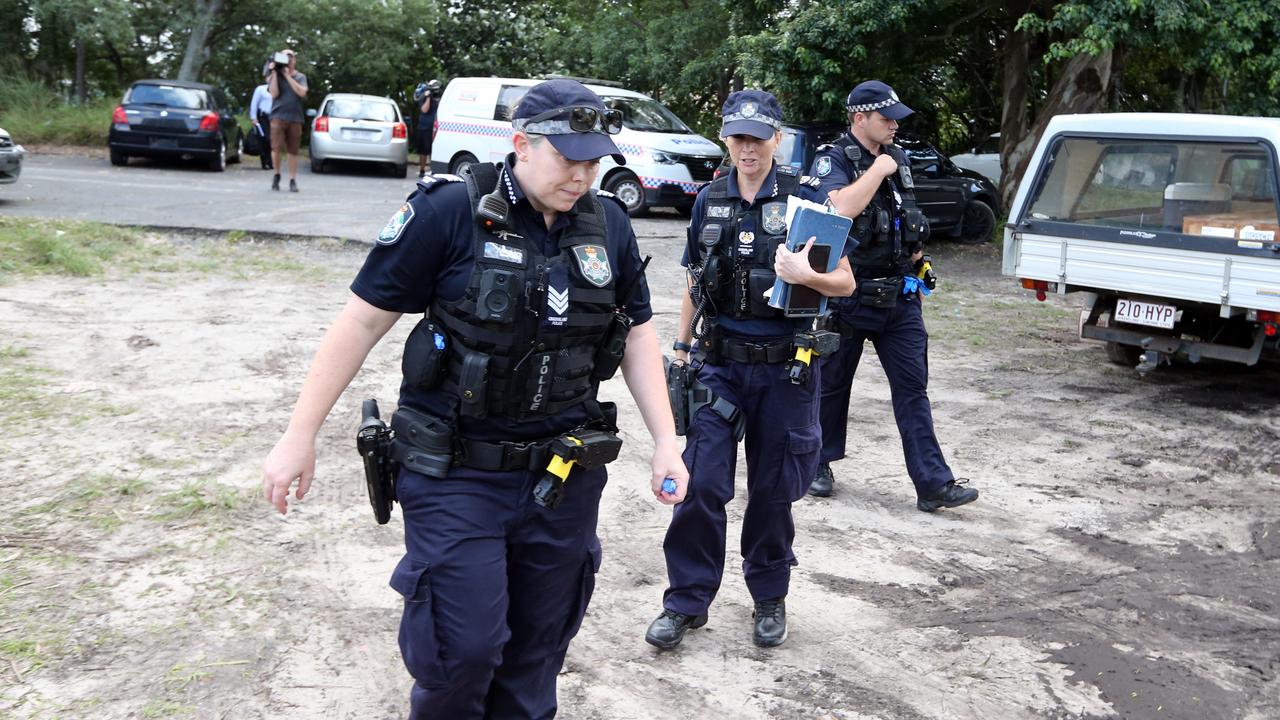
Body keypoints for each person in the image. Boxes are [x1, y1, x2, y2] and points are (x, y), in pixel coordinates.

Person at [261, 78, 688, 720]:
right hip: (456, 470)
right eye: (568, 157)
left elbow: (636, 334)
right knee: (463, 650)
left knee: (538, 651)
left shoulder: (611, 227)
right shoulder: (448, 211)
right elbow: (360, 322)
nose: (583, 173)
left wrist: (666, 442)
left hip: (562, 475)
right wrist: (299, 435)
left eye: (594, 159)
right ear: (521, 143)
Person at [644, 89, 854, 651]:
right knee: (700, 483)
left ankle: (769, 596)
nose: (748, 149)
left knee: (771, 491)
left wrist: (803, 273)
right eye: (738, 138)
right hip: (719, 365)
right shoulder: (709, 198)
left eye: (758, 139)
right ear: (726, 140)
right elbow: (694, 280)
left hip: (786, 368)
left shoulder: (807, 202)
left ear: (777, 140)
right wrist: (683, 350)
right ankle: (686, 602)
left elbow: (845, 283)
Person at [805, 80, 979, 513]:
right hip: (849, 295)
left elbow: (904, 217)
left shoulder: (897, 158)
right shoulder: (833, 160)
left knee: (912, 389)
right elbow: (839, 209)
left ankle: (933, 484)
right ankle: (817, 465)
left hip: (899, 296)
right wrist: (876, 170)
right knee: (830, 386)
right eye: (887, 118)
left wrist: (915, 254)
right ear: (859, 118)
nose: (895, 126)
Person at [267, 48, 307, 192]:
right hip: (278, 116)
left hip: (295, 117)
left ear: (294, 60)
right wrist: (275, 73)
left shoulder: (300, 77)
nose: (288, 59)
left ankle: (292, 179)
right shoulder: (274, 75)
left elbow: (301, 92)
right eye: (285, 57)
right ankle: (276, 175)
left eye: (291, 57)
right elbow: (274, 93)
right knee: (276, 148)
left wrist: (288, 76)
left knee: (293, 151)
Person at [414, 79, 441, 178]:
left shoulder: (438, 97)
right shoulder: (424, 96)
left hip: (435, 128)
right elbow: (424, 110)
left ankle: (432, 170)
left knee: (433, 150)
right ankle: (422, 170)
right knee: (423, 150)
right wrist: (428, 98)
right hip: (424, 127)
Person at [248, 63, 273, 170]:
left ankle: (270, 161)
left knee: (273, 140)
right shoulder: (261, 89)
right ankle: (264, 161)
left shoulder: (278, 90)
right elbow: (254, 103)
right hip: (263, 117)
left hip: (274, 117)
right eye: (269, 77)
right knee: (264, 139)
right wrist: (253, 117)